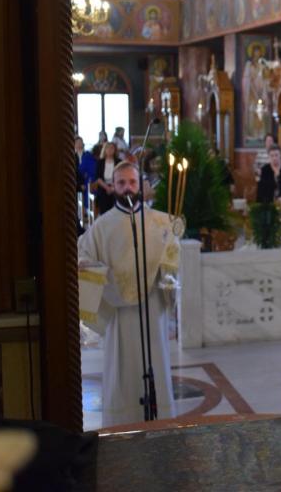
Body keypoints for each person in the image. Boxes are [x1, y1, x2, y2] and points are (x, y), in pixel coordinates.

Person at [78, 161, 179, 427]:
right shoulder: (101, 226)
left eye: (132, 182)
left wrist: (170, 265)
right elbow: (82, 255)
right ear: (113, 186)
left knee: (156, 361)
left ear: (141, 185)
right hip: (119, 314)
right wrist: (95, 270)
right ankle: (123, 424)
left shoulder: (162, 222)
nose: (127, 188)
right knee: (122, 368)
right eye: (121, 183)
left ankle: (159, 423)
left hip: (153, 309)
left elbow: (172, 265)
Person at [92, 142, 118, 216]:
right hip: (103, 187)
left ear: (115, 150)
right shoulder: (100, 162)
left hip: (116, 187)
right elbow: (98, 178)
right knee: (103, 199)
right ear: (104, 150)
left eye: (112, 148)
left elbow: (121, 177)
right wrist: (107, 188)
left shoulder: (119, 161)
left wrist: (113, 188)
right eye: (108, 148)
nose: (110, 150)